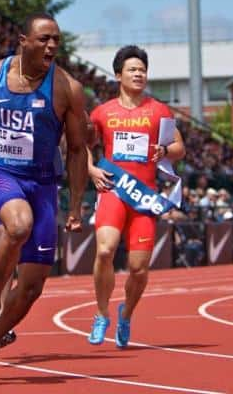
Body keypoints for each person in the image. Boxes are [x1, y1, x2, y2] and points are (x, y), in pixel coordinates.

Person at [0, 13, 88, 379]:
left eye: (56, 41)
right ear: (23, 40)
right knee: (17, 226)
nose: (51, 47)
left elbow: (77, 149)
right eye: (44, 39)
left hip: (44, 183)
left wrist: (75, 205)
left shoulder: (66, 89)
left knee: (31, 287)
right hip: (0, 173)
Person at [86, 45, 185, 348]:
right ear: (118, 75)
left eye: (142, 69)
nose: (139, 74)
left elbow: (179, 147)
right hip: (114, 191)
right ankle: (102, 314)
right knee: (105, 251)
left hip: (143, 197)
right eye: (132, 69)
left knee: (139, 268)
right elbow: (84, 146)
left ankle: (125, 314)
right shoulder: (102, 113)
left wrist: (164, 151)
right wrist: (90, 169)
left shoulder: (159, 111)